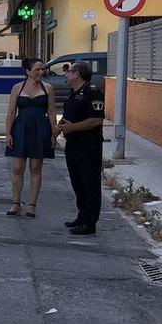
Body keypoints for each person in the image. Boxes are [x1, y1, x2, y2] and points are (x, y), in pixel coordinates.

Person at [4, 58, 57, 218]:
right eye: (38, 70)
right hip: (20, 129)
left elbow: (52, 112)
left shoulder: (48, 88)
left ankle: (32, 205)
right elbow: (11, 111)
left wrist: (54, 134)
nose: (41, 72)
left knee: (35, 167)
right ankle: (15, 202)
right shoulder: (17, 88)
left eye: (43, 70)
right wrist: (8, 133)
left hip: (40, 129)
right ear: (28, 71)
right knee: (17, 167)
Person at [57, 61, 105, 235]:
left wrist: (72, 128)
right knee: (77, 182)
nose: (66, 75)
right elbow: (68, 117)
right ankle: (82, 215)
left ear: (77, 74)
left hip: (88, 145)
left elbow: (96, 120)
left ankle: (90, 222)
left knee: (89, 184)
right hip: (73, 144)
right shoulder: (74, 93)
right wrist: (57, 131)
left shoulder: (92, 92)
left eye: (69, 71)